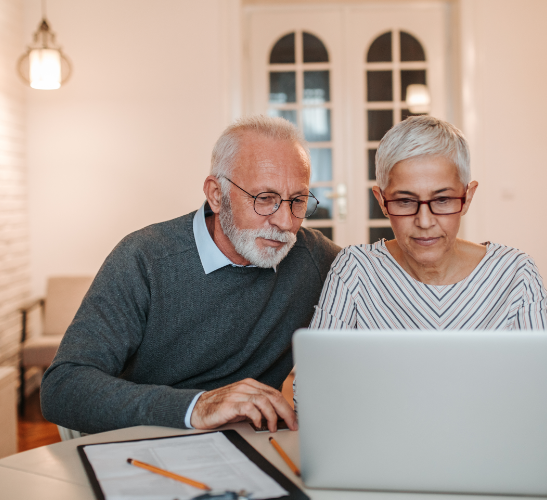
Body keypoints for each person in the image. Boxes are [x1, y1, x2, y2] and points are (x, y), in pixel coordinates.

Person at [41, 115, 340, 434]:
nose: (284, 221)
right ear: (215, 194)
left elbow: (379, 269)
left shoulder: (313, 256)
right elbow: (63, 388)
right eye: (264, 199)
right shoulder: (145, 258)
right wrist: (196, 406)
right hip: (139, 435)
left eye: (297, 201)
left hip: (246, 443)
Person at [303, 116, 547, 420]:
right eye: (405, 201)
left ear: (467, 197)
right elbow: (313, 390)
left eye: (442, 199)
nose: (425, 221)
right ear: (381, 200)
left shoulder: (515, 273)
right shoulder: (354, 269)